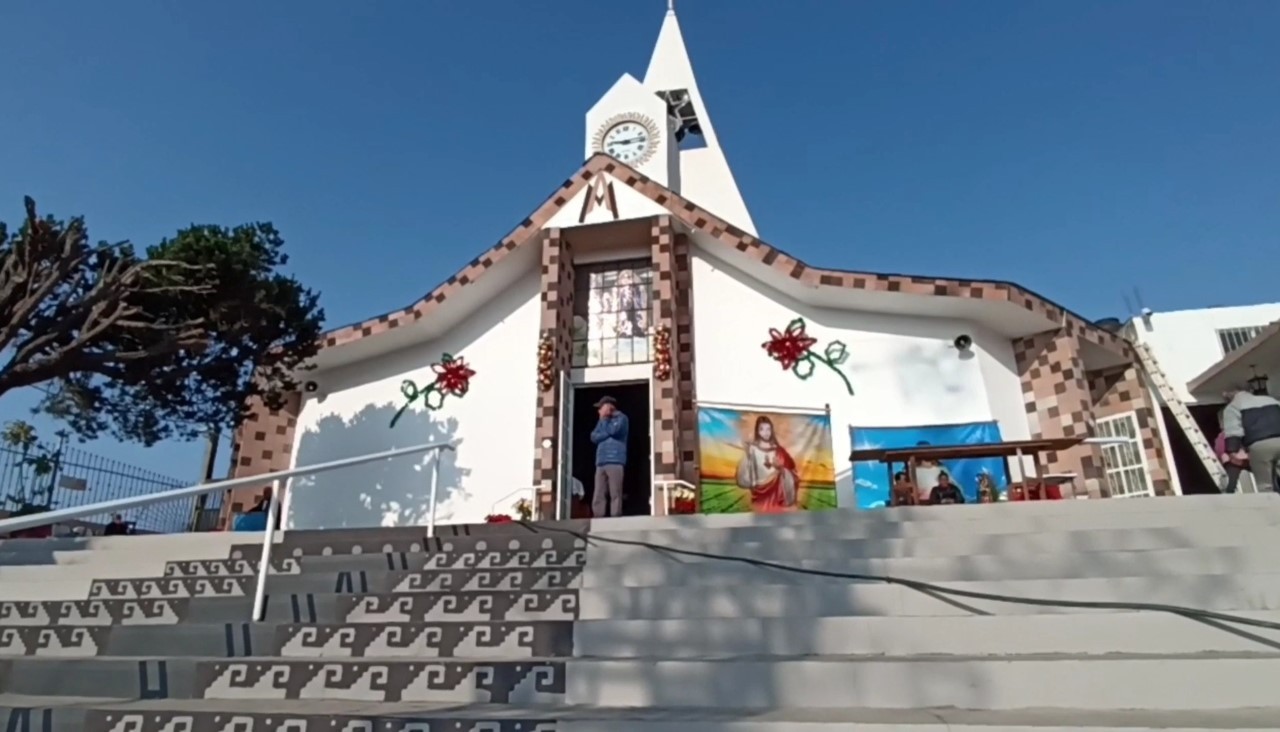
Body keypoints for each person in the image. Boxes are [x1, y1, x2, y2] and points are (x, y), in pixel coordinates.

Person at [734, 415, 800, 512]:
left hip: (777, 493)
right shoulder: (752, 449)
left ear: (772, 430)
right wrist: (748, 456)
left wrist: (781, 469)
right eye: (762, 429)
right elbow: (744, 478)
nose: (766, 433)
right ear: (757, 430)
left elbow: (792, 471)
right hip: (759, 494)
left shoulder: (779, 450)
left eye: (768, 429)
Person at [1222, 387, 1280, 492]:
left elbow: (1234, 430)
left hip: (1259, 445)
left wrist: (1232, 450)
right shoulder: (1271, 400)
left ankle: (1270, 506)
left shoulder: (1233, 407)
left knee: (1265, 484)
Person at [590, 396, 629, 518]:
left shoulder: (621, 418)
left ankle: (615, 516)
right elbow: (593, 436)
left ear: (608, 407)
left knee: (615, 492)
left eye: (600, 408)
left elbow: (614, 431)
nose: (598, 411)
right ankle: (598, 516)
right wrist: (605, 429)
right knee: (599, 492)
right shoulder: (602, 421)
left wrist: (605, 422)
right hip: (601, 461)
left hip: (615, 460)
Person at [1214, 409, 1245, 494]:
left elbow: (1219, 449)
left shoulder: (1225, 434)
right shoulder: (1226, 434)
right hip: (1235, 460)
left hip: (1235, 460)